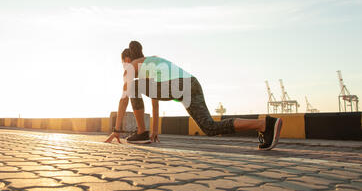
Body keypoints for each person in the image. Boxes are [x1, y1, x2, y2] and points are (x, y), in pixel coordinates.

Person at [105, 41, 283, 150]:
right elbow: (155, 101)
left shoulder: (133, 65)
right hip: (192, 84)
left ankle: (142, 133)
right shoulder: (150, 65)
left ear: (126, 59)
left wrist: (116, 129)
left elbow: (123, 99)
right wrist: (156, 130)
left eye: (122, 63)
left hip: (178, 85)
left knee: (132, 86)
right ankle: (265, 124)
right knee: (209, 127)